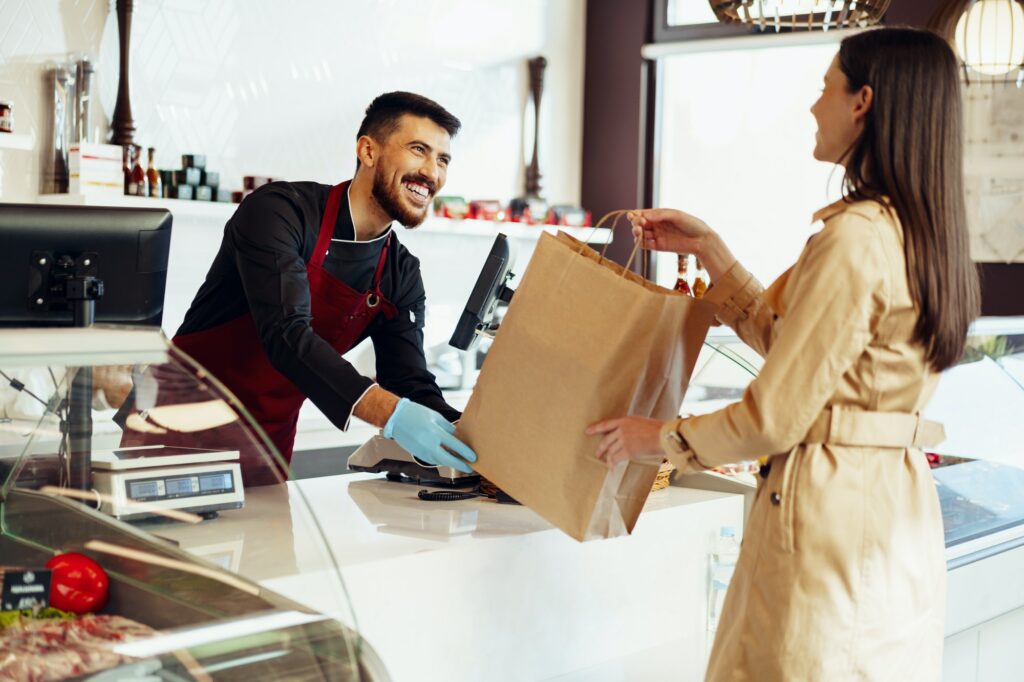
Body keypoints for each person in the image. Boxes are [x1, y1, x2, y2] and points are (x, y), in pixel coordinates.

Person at [587, 28, 979, 681]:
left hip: (830, 520)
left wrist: (654, 435)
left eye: (826, 88)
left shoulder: (854, 240)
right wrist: (712, 251)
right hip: (891, 514)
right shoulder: (919, 233)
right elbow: (805, 349)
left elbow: (774, 414)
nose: (812, 106)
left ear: (863, 103)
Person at [146, 92, 476, 484]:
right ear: (368, 151)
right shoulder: (279, 212)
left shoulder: (400, 273)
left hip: (267, 447)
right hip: (175, 431)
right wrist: (393, 415)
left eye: (442, 160)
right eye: (418, 150)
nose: (432, 173)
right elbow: (286, 334)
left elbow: (409, 381)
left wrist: (470, 431)